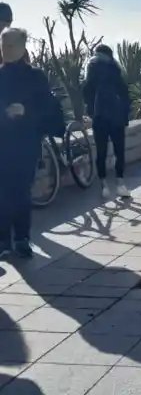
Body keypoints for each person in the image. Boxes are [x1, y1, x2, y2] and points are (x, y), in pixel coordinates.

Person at [0, 28, 63, 258]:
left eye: (10, 45)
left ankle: (22, 238)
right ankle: (3, 241)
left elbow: (47, 109)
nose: (6, 50)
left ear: (22, 47)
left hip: (26, 144)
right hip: (3, 143)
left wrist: (25, 111)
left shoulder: (36, 77)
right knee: (3, 192)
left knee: (21, 192)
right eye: (3, 45)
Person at [82, 44, 132, 199]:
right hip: (117, 116)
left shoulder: (91, 65)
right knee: (119, 151)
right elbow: (124, 92)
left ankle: (104, 185)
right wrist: (125, 115)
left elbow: (86, 90)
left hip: (100, 116)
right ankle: (120, 183)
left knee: (101, 151)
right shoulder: (115, 67)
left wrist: (90, 111)